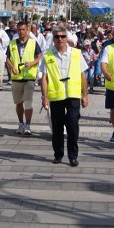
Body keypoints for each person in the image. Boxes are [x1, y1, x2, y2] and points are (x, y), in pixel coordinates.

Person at [40, 26, 89, 166]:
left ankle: (73, 155)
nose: (60, 39)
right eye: (57, 37)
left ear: (67, 38)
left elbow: (82, 75)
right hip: (56, 95)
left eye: (62, 36)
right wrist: (45, 96)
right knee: (57, 126)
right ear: (53, 39)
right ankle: (58, 154)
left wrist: (85, 95)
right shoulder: (48, 55)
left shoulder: (76, 53)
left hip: (73, 94)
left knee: (73, 124)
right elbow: (44, 77)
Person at [6, 21, 42, 136]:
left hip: (29, 77)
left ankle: (28, 124)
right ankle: (21, 123)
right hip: (16, 77)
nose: (21, 32)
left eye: (23, 29)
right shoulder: (12, 43)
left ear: (27, 30)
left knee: (28, 103)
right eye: (19, 30)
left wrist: (31, 63)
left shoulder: (33, 43)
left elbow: (39, 57)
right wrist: (12, 67)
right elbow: (7, 58)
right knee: (18, 103)